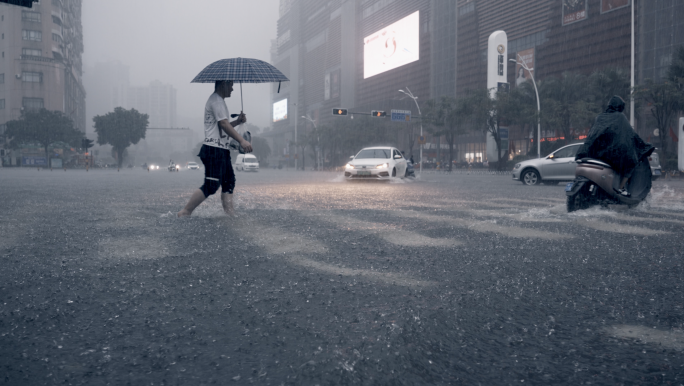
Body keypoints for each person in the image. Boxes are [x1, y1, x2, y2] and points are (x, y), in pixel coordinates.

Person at [177, 80, 252, 217]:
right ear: (223, 84)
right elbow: (223, 124)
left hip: (221, 149)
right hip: (213, 149)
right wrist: (241, 140)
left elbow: (222, 126)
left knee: (229, 181)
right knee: (211, 185)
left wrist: (238, 122)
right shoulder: (216, 101)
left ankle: (230, 214)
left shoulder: (220, 101)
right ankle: (186, 211)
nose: (232, 89)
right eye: (231, 85)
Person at [575, 96, 654, 197]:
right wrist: (645, 146)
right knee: (631, 163)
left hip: (596, 153)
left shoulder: (600, 117)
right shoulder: (620, 117)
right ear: (620, 107)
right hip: (613, 154)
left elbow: (592, 135)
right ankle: (621, 188)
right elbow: (631, 135)